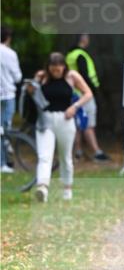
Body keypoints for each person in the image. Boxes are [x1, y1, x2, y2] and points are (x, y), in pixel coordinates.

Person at [27, 52, 92, 202]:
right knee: (44, 155)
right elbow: (31, 94)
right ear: (48, 67)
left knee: (66, 156)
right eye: (53, 68)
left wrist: (75, 107)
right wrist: (35, 80)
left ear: (64, 67)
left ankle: (67, 189)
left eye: (59, 68)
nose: (56, 71)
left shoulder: (72, 76)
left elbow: (87, 93)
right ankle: (42, 187)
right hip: (45, 120)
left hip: (65, 119)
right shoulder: (43, 77)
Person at [65, 33, 110, 161]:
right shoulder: (81, 55)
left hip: (74, 94)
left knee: (78, 124)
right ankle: (97, 152)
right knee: (88, 123)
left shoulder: (70, 55)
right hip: (85, 95)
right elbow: (84, 75)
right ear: (84, 39)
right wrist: (92, 91)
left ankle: (78, 151)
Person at [1, 26, 23, 173]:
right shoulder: (10, 54)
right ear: (8, 37)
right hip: (8, 94)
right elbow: (18, 77)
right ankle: (3, 162)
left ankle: (4, 161)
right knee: (5, 130)